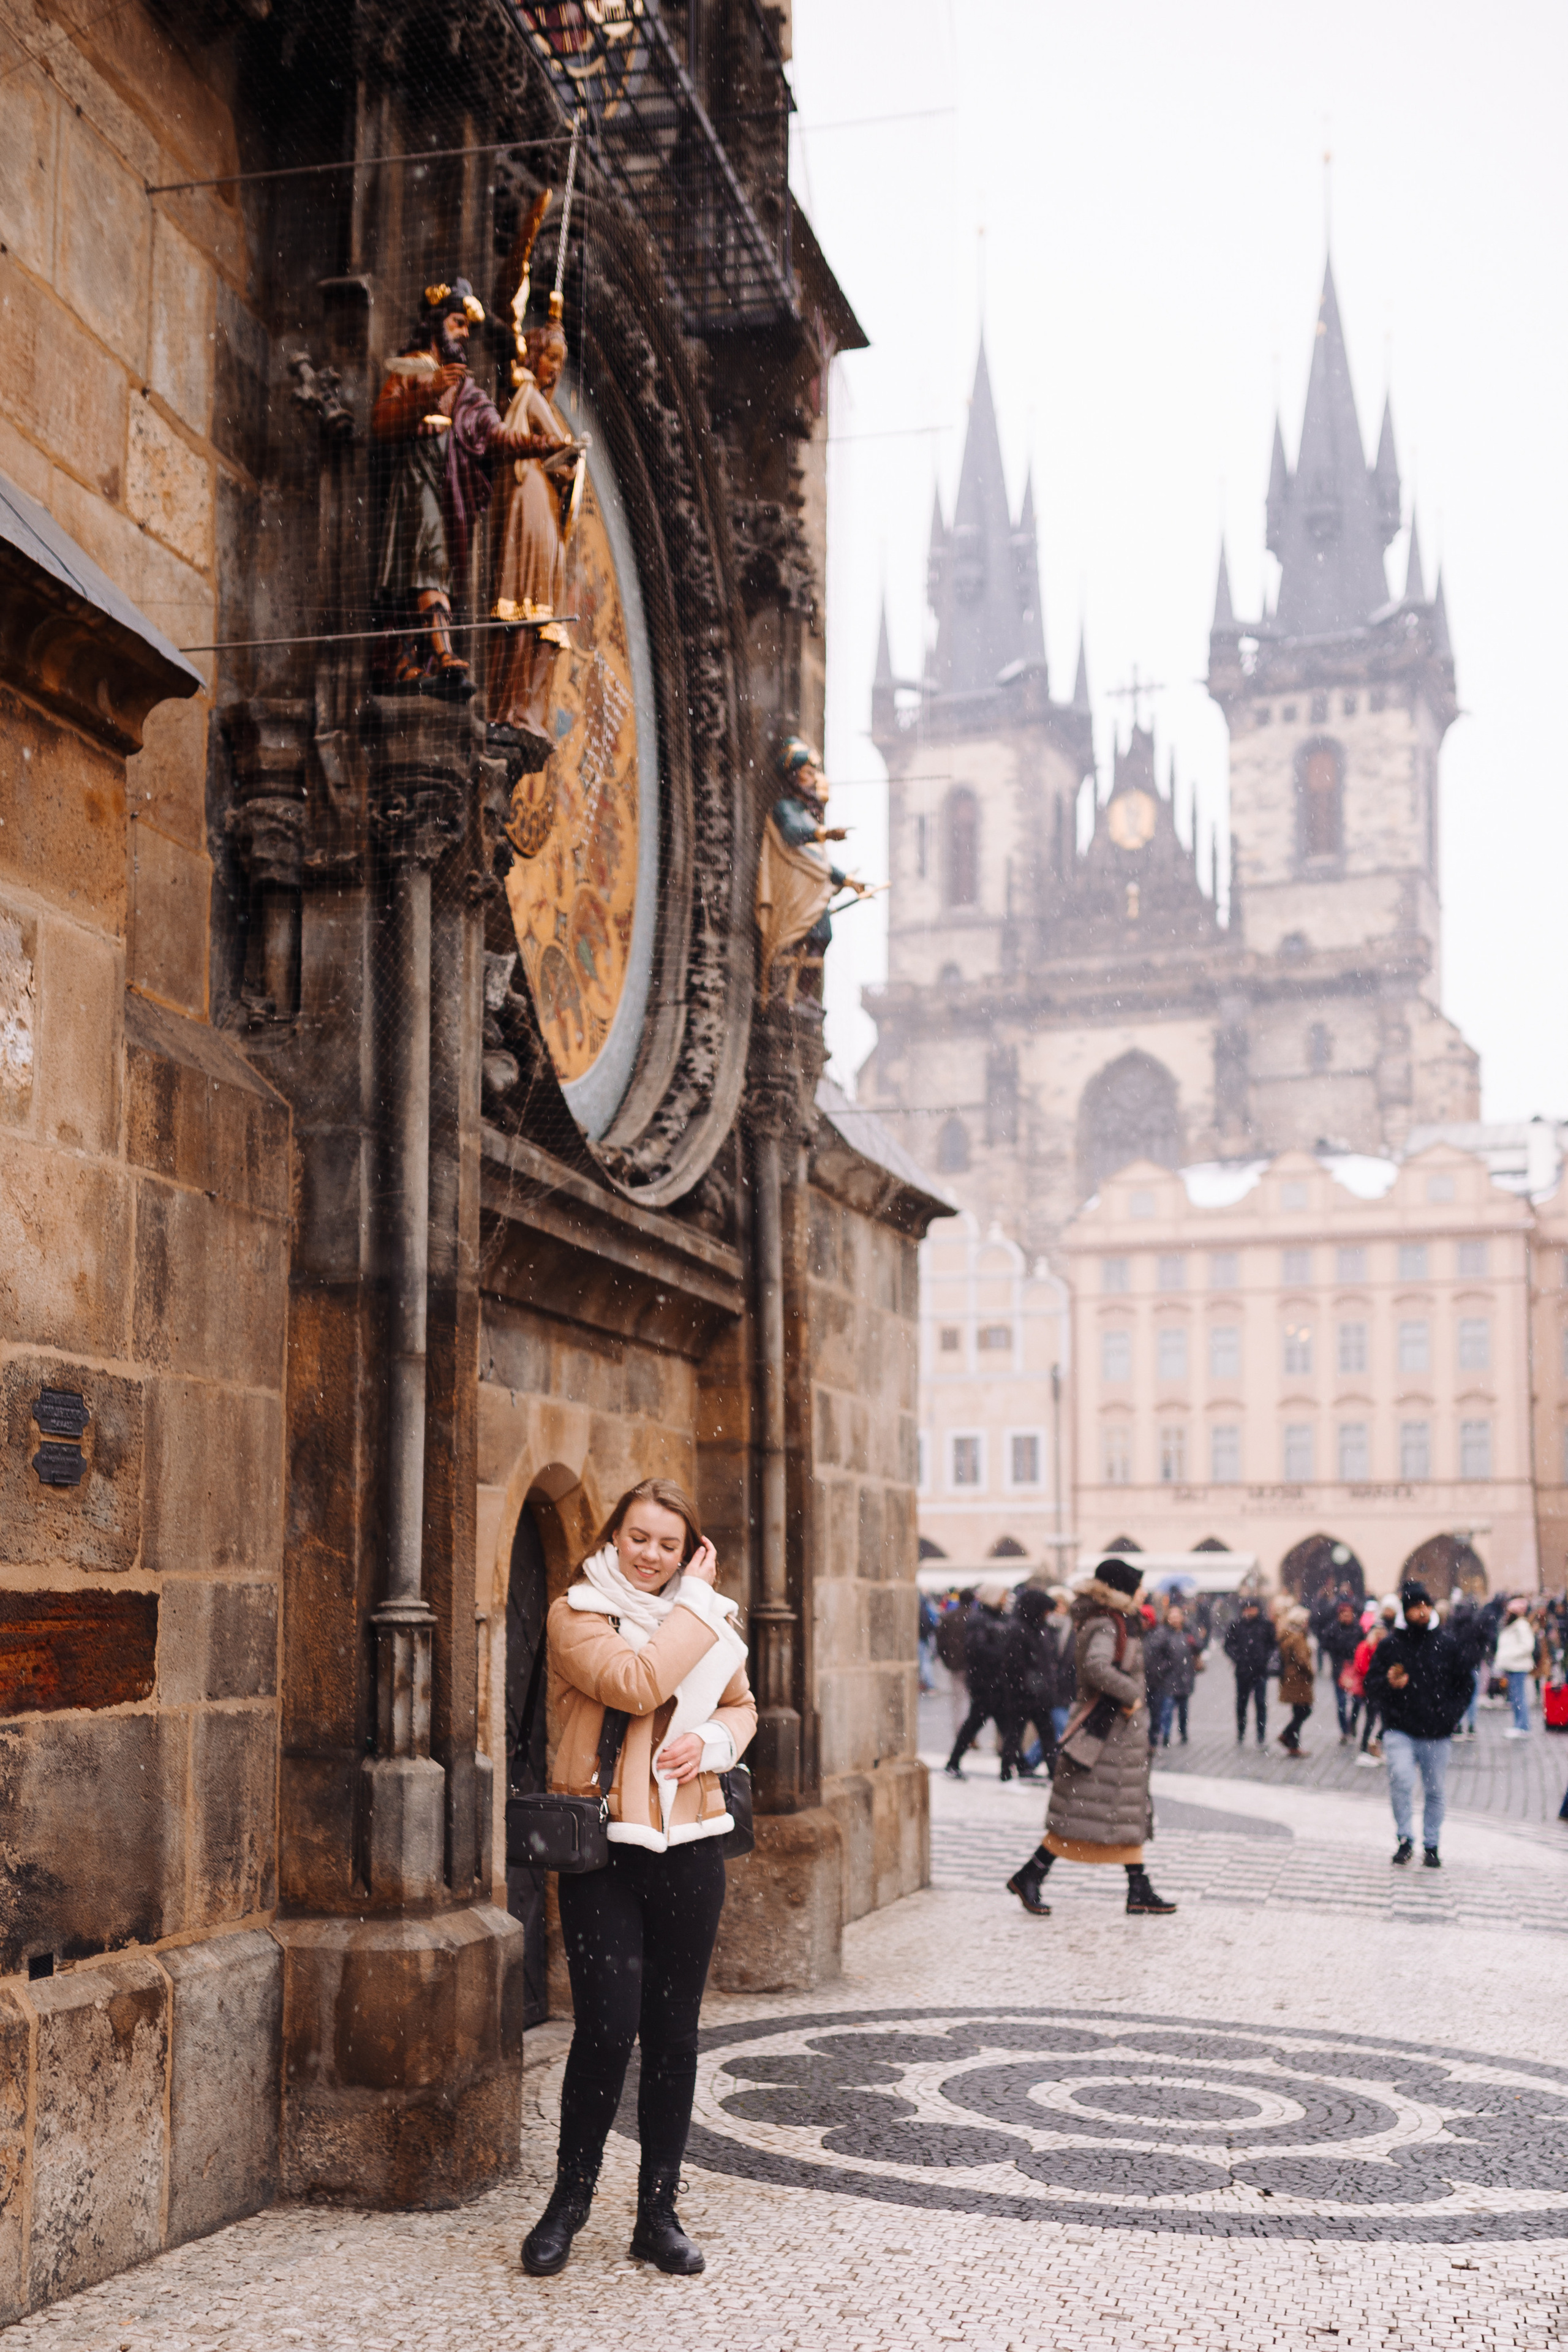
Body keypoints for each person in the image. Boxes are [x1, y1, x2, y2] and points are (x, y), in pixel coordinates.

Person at [519, 1479, 755, 2279]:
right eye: (639, 1537)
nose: (651, 1555)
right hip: (604, 1854)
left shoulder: (706, 1617)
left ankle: (657, 2214)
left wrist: (714, 1743)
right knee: (605, 2030)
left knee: (674, 2035)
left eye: (668, 1544)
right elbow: (638, 1684)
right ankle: (569, 2204)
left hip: (692, 1849)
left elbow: (743, 1704)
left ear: (688, 1550)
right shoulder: (578, 1613)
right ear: (613, 1536)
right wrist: (697, 1603)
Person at [372, 277, 542, 696]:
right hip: (417, 479)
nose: (465, 334)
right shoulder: (414, 368)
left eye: (468, 327)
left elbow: (499, 437)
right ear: (436, 322)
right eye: (458, 322)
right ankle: (443, 652)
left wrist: (544, 446)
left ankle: (409, 660)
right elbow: (382, 424)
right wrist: (428, 393)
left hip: (451, 492)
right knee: (428, 561)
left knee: (428, 569)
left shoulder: (468, 391)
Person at [1005, 1558, 1176, 1918]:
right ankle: (1031, 1874)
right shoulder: (1109, 1624)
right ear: (1123, 1590)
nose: (1143, 1592)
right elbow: (1097, 1667)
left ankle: (1137, 1887)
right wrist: (1132, 1694)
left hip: (1115, 1736)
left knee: (1122, 1812)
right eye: (1138, 1586)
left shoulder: (1115, 1620)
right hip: (1105, 1736)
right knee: (1083, 1812)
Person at [1362, 1578, 1473, 1867]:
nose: (1422, 1611)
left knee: (1435, 1789)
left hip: (1437, 1731)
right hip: (1400, 1728)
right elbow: (1371, 1682)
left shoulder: (1447, 1644)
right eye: (1416, 1607)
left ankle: (1432, 1844)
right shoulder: (1391, 1645)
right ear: (1405, 1611)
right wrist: (1389, 1684)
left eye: (1426, 1605)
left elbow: (1466, 1685)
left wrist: (1450, 1715)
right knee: (1402, 1779)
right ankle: (1404, 1838)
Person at [944, 1583, 1012, 1777]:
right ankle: (1010, 1768)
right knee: (978, 1723)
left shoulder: (1000, 1618)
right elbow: (977, 1648)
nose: (1005, 1601)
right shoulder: (979, 1619)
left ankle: (1012, 1767)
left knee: (1003, 1726)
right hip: (985, 1682)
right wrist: (1003, 1655)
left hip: (997, 1681)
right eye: (1002, 1597)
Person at [999, 1585, 1058, 1777]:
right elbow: (1015, 1665)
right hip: (1025, 1695)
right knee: (1018, 1734)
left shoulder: (1035, 1629)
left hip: (1034, 1694)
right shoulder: (1020, 1631)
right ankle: (1008, 1771)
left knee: (1038, 1734)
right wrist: (1029, 1687)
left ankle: (1050, 1770)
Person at [1224, 1594, 1274, 1747]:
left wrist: (1265, 1658)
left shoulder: (1266, 1625)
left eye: (1252, 1608)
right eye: (1247, 1609)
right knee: (1242, 1703)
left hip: (1260, 1671)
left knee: (1260, 1703)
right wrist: (1238, 1658)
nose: (1249, 1612)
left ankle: (1261, 1734)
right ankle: (1241, 1731)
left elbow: (1273, 1645)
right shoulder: (1237, 1625)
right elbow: (1228, 1645)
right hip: (1243, 1671)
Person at [1142, 1604, 1189, 1750]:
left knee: (1173, 1710)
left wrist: (1160, 1670)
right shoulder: (1160, 1633)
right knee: (1163, 1710)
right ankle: (1162, 1736)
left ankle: (1164, 1736)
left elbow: (1174, 1655)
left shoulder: (1179, 1633)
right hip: (1160, 1679)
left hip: (1171, 1679)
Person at [1320, 1598, 1362, 1742]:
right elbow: (1325, 1645)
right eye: (1344, 1614)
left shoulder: (1358, 1629)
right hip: (1339, 1669)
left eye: (1349, 1614)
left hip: (1355, 1669)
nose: (1346, 1617)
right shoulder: (1333, 1629)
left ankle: (1352, 1723)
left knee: (1357, 1700)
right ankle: (1345, 1731)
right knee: (1341, 1703)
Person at [1494, 1596, 1537, 1736]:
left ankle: (1522, 1726)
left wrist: (1509, 1655)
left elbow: (1528, 1646)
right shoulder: (1516, 1625)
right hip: (1514, 1666)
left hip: (1518, 1666)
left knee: (1519, 1697)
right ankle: (1519, 1725)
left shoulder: (1521, 1626)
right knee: (1516, 1696)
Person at [1276, 1604, 1315, 1756]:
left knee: (1298, 1711)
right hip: (1299, 1679)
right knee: (1304, 1711)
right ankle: (1287, 1735)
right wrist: (1311, 1672)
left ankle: (1293, 1745)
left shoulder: (1287, 1635)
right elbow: (1302, 1660)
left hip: (1290, 1677)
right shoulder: (1298, 1638)